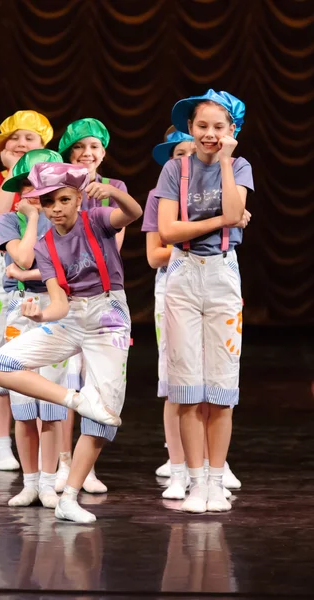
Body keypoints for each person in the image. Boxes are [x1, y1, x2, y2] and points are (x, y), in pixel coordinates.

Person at [0, 162, 142, 522]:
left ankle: (69, 496)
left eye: (64, 199)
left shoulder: (98, 219)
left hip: (108, 315)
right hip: (70, 317)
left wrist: (115, 193)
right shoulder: (44, 245)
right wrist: (40, 316)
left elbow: (131, 214)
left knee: (105, 416)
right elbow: (57, 301)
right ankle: (75, 399)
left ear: (78, 198)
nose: (56, 208)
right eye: (48, 202)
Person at [156, 89, 254, 513]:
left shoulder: (241, 166)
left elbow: (236, 207)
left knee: (221, 387)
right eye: (202, 126)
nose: (210, 134)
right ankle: (195, 481)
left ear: (232, 130)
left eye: (219, 127)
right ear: (190, 129)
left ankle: (216, 481)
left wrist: (228, 162)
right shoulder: (174, 169)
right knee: (187, 385)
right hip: (182, 273)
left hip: (221, 274)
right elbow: (167, 233)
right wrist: (218, 221)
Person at [55, 118, 127, 495]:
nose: (87, 153)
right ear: (70, 153)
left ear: (103, 152)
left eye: (94, 147)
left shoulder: (114, 188)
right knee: (68, 381)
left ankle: (86, 469)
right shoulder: (59, 189)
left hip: (101, 296)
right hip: (65, 295)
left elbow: (114, 244)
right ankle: (63, 462)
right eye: (80, 148)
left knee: (96, 384)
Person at [0, 148, 69, 508]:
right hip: (20, 310)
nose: (33, 194)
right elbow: (22, 257)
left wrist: (27, 272)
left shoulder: (66, 219)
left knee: (52, 402)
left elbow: (64, 268)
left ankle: (50, 482)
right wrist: (34, 220)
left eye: (41, 186)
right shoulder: (10, 221)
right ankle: (30, 481)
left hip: (56, 309)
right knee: (23, 404)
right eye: (28, 186)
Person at [0, 110, 53, 470]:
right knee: (2, 350)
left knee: (43, 357)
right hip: (6, 269)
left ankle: (43, 445)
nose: (22, 144)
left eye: (30, 139)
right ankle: (1, 442)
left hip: (46, 274)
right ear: (3, 147)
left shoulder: (48, 190)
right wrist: (13, 171)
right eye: (15, 139)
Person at [143, 130, 195, 499]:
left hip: (214, 282)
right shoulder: (159, 195)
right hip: (173, 288)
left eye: (193, 150)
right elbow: (154, 255)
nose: (188, 157)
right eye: (180, 152)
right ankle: (177, 462)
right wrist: (190, 241)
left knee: (213, 376)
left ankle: (212, 463)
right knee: (176, 377)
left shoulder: (218, 190)